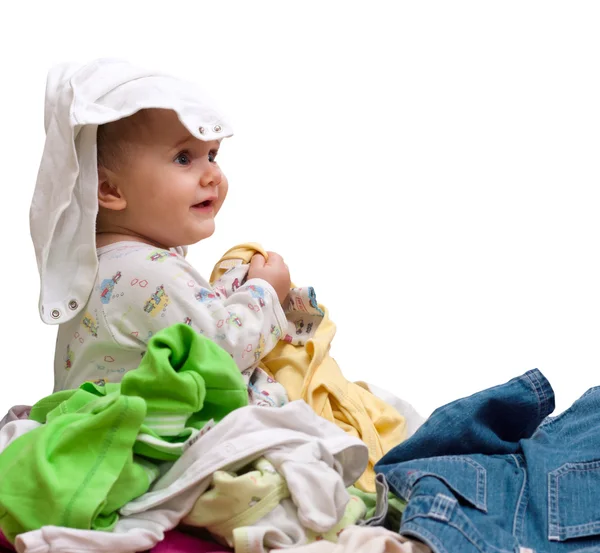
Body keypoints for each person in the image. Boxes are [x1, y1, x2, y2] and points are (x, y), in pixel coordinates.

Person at [29, 59, 291, 406]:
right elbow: (225, 350)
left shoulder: (106, 267)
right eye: (183, 158)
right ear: (109, 189)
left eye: (212, 155)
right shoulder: (148, 271)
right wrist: (265, 291)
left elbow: (186, 326)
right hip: (156, 446)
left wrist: (229, 288)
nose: (212, 174)